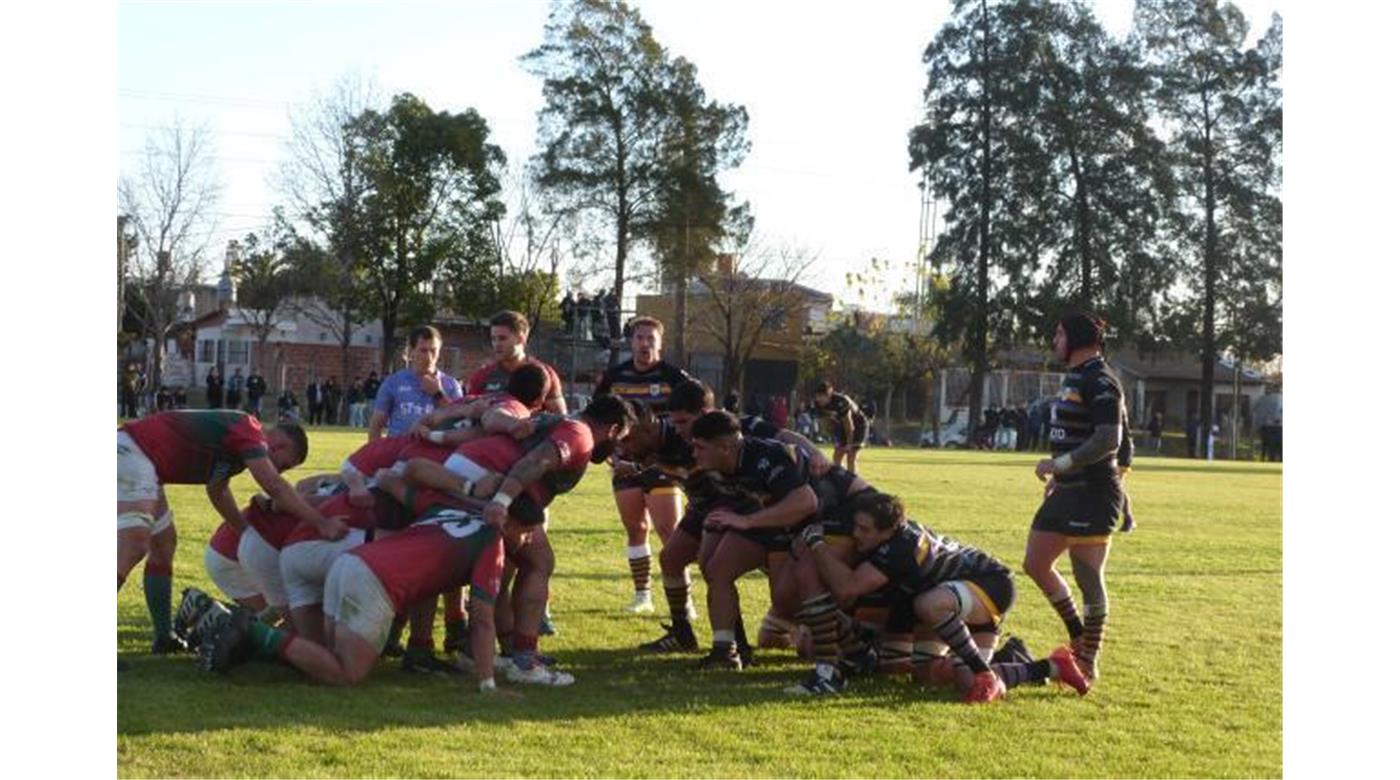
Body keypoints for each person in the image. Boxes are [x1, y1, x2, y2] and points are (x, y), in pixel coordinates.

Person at [198, 474, 506, 694]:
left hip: (343, 561)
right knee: (345, 673)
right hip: (367, 575)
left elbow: (394, 478)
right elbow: (482, 620)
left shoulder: (442, 507)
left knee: (321, 659)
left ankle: (244, 638)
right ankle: (251, 630)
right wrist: (487, 683)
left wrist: (464, 488)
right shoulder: (491, 539)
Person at [792, 492, 1088, 700]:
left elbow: (846, 589)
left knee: (928, 604)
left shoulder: (900, 548)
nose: (856, 535)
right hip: (952, 600)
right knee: (934, 677)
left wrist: (816, 544)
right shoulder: (890, 541)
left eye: (864, 529)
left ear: (889, 530)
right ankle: (1048, 666)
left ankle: (985, 671)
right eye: (856, 526)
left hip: (990, 585)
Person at [117, 410, 348, 665]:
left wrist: (247, 532)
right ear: (279, 444)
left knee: (163, 546)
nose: (280, 471)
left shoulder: (237, 446)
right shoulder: (248, 430)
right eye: (284, 464)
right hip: (134, 453)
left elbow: (217, 490)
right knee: (133, 546)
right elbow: (273, 485)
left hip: (144, 460)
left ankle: (164, 636)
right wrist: (321, 522)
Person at [1025, 310, 1122, 687]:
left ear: (1077, 339)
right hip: (1067, 490)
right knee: (1035, 563)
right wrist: (1060, 475)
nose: (1055, 341)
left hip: (1093, 494)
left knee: (1088, 578)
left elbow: (1109, 439)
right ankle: (1078, 636)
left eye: (1059, 334)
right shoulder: (1076, 376)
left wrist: (1060, 463)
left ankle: (1088, 658)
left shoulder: (1101, 379)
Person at [595, 316, 693, 613]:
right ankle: (642, 597)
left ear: (660, 343)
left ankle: (684, 601)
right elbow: (598, 418)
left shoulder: (675, 377)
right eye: (640, 338)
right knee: (636, 528)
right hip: (625, 463)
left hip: (663, 464)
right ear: (631, 341)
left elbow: (695, 413)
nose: (645, 343)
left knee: (668, 529)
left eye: (651, 338)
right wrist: (611, 453)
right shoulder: (614, 377)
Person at [369, 325, 463, 440]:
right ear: (411, 351)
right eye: (423, 350)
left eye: (433, 351)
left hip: (432, 452)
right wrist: (376, 454)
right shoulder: (393, 382)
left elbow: (460, 422)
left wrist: (439, 394)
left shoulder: (451, 385)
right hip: (398, 450)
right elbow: (376, 425)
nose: (429, 357)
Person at [812, 381, 868, 473]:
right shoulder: (817, 404)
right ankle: (840, 480)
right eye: (817, 396)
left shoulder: (841, 402)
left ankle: (852, 483)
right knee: (837, 456)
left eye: (821, 396)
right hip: (842, 425)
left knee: (851, 456)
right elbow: (826, 421)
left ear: (829, 395)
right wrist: (832, 434)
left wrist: (849, 444)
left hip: (858, 426)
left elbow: (849, 424)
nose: (819, 399)